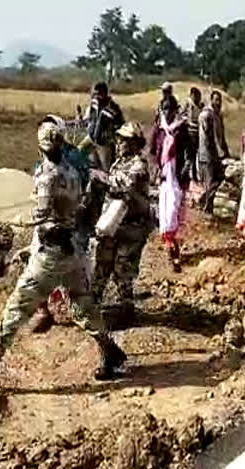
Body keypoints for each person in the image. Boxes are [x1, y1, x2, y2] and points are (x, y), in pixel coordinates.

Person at [0, 121, 127, 383]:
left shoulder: (46, 175)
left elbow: (42, 218)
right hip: (71, 249)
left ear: (41, 147)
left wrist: (30, 226)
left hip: (51, 252)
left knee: (19, 303)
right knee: (81, 303)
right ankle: (109, 349)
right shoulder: (71, 171)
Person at [31, 114, 92, 334]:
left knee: (38, 270)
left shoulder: (69, 159)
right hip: (69, 224)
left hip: (59, 226)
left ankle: (45, 311)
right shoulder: (71, 157)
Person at [91, 122, 153, 321]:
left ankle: (126, 309)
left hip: (133, 226)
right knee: (103, 262)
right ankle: (92, 303)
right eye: (119, 139)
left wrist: (101, 177)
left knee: (123, 268)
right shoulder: (119, 162)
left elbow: (126, 185)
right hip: (115, 223)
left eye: (123, 140)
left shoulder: (139, 165)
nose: (118, 143)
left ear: (134, 143)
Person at [153, 97, 188, 272]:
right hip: (164, 177)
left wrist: (186, 170)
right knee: (166, 214)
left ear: (175, 110)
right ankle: (172, 251)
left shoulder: (181, 129)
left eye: (169, 109)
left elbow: (190, 151)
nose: (166, 112)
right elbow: (153, 151)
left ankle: (173, 246)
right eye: (164, 109)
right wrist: (156, 169)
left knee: (174, 211)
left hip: (177, 176)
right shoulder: (159, 129)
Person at [79, 82, 124, 172]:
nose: (95, 96)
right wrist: (81, 119)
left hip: (104, 143)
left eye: (98, 94)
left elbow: (119, 124)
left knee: (106, 168)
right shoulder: (93, 105)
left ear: (104, 93)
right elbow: (88, 119)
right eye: (94, 94)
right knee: (78, 152)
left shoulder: (113, 108)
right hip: (91, 137)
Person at [198, 90, 231, 213]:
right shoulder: (206, 115)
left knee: (218, 180)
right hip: (207, 154)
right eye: (216, 100)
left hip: (215, 154)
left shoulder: (218, 115)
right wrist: (217, 154)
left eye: (220, 100)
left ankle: (206, 203)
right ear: (211, 100)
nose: (218, 103)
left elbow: (221, 136)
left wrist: (226, 152)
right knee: (210, 182)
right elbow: (208, 138)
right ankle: (207, 207)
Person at [183, 87, 203, 183]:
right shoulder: (188, 104)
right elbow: (182, 116)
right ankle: (188, 175)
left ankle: (195, 175)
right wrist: (187, 123)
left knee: (197, 156)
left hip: (198, 133)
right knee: (190, 156)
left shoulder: (200, 106)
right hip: (190, 133)